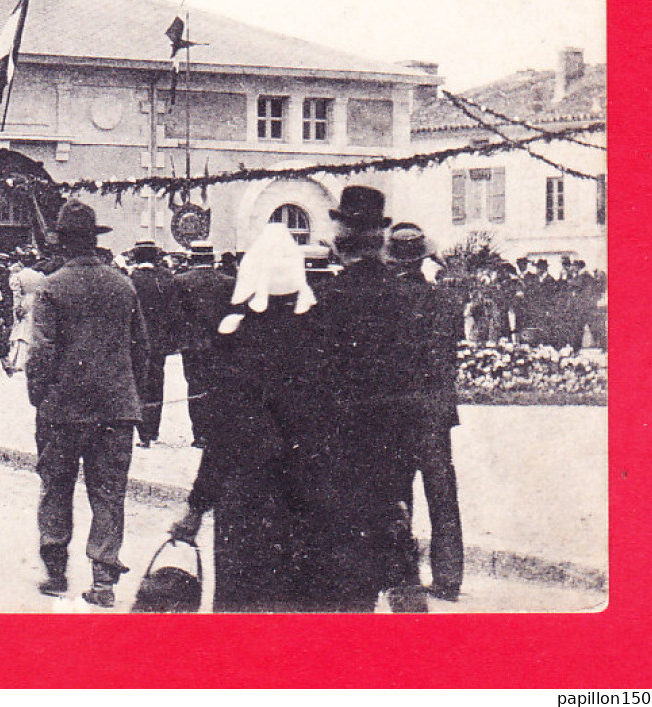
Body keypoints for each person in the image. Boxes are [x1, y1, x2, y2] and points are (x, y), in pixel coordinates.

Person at [168, 223, 321, 611]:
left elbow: (224, 433)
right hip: (305, 497)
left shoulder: (238, 337)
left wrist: (197, 505)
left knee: (241, 608)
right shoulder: (321, 334)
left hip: (246, 498)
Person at [305, 186, 426, 613]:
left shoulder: (331, 299)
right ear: (379, 239)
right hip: (394, 447)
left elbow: (320, 382)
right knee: (391, 541)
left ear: (342, 237)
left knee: (347, 577)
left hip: (344, 451)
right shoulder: (405, 296)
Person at [27, 200, 149, 607]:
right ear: (94, 242)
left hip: (63, 409)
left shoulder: (51, 287)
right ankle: (103, 579)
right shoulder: (123, 285)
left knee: (56, 487)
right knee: (109, 493)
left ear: (62, 243)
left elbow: (41, 352)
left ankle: (56, 571)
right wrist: (132, 395)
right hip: (116, 409)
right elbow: (141, 349)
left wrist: (38, 397)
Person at [388, 221, 464, 601]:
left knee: (398, 492)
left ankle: (404, 573)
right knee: (442, 492)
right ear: (423, 259)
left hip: (397, 413)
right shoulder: (445, 300)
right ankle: (449, 578)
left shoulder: (383, 301)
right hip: (434, 411)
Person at [173, 241, 233, 449]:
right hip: (220, 344)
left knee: (195, 387)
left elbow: (176, 316)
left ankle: (199, 434)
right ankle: (217, 432)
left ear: (192, 258)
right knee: (218, 386)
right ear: (212, 258)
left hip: (192, 344)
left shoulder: (180, 281)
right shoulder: (228, 282)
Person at [127, 240, 182, 447]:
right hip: (159, 341)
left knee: (139, 383)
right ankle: (153, 429)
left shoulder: (132, 279)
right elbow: (174, 312)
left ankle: (143, 432)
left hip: (136, 341)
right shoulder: (166, 278)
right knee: (158, 383)